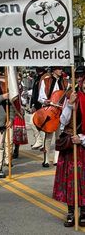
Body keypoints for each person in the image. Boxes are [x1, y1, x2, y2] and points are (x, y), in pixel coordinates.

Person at [53, 75, 85, 227]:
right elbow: (63, 121)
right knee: (70, 179)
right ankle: (71, 211)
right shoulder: (72, 97)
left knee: (83, 180)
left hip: (83, 144)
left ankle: (84, 211)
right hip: (70, 145)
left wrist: (83, 139)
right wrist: (70, 104)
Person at [38, 66, 68, 167]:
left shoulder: (65, 82)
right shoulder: (46, 81)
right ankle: (46, 159)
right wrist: (46, 101)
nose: (61, 71)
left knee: (59, 136)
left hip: (61, 111)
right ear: (54, 70)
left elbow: (67, 96)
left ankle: (56, 159)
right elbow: (41, 97)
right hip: (50, 111)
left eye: (61, 69)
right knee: (48, 136)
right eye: (59, 69)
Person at [29, 67, 47, 150]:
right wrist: (32, 104)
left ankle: (41, 142)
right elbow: (34, 93)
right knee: (35, 123)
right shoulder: (37, 78)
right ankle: (40, 141)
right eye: (37, 68)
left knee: (39, 124)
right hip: (37, 104)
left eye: (40, 68)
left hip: (42, 105)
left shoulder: (46, 77)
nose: (38, 70)